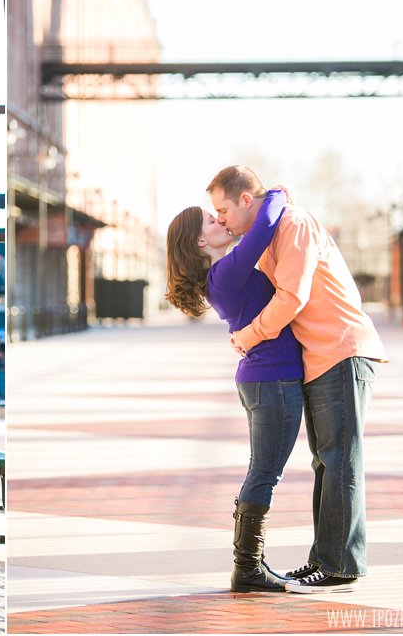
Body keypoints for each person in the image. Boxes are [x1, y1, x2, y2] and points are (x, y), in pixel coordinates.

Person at [207, 165, 387, 594]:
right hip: (319, 357)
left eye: (223, 209)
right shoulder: (270, 233)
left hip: (342, 350)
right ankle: (326, 558)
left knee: (340, 459)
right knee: (326, 460)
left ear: (245, 200)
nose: (221, 219)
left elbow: (293, 297)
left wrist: (248, 335)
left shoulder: (295, 225)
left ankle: (340, 564)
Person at [166, 188, 302, 592]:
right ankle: (247, 568)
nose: (221, 220)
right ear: (200, 242)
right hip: (271, 380)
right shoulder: (224, 273)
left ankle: (249, 566)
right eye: (212, 220)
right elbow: (262, 229)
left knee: (263, 472)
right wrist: (272, 192)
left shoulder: (224, 274)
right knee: (264, 473)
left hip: (267, 378)